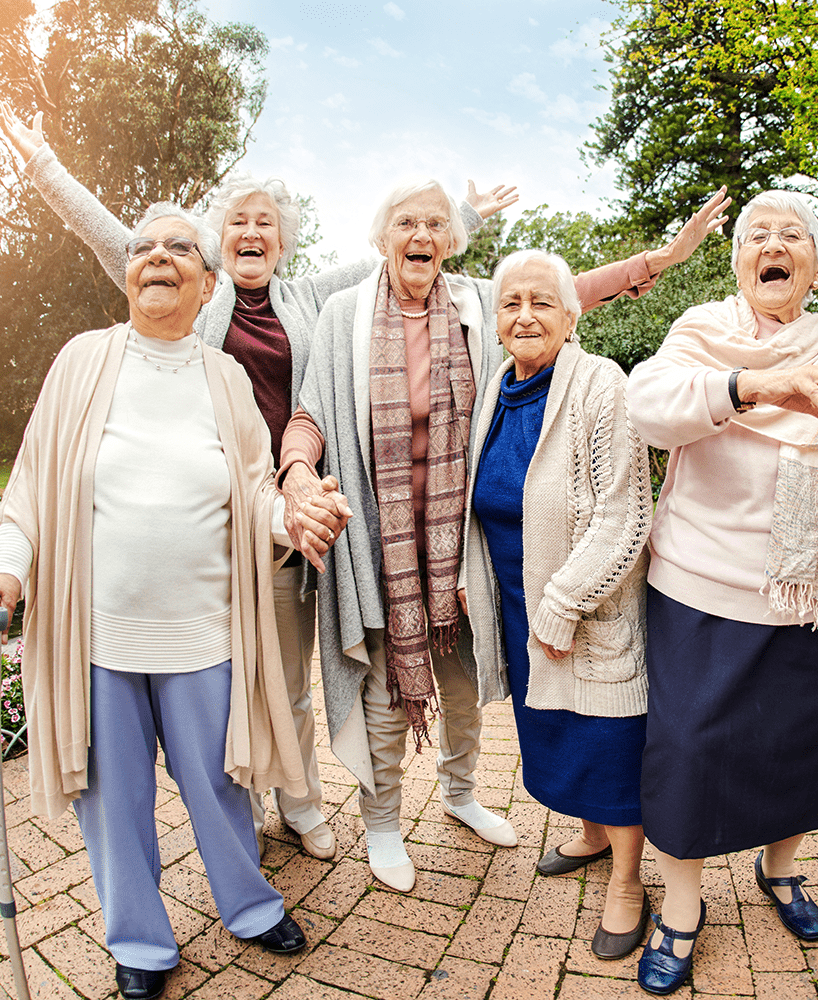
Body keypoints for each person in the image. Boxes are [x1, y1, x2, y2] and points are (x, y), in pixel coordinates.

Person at [0, 102, 515, 861]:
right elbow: (112, 235)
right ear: (214, 245)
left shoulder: (310, 300)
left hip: (294, 523)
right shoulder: (188, 290)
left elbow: (399, 250)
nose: (251, 232)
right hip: (208, 525)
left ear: (283, 240)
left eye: (266, 221)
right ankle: (239, 812)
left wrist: (458, 211)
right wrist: (44, 166)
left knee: (289, 679)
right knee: (220, 685)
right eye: (238, 220)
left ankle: (300, 803)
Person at [280, 181, 731, 892]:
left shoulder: (473, 306)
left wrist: (658, 260)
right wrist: (298, 470)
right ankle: (385, 824)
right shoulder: (343, 316)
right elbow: (311, 411)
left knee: (462, 686)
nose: (420, 233)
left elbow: (555, 296)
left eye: (434, 222)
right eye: (406, 222)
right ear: (381, 237)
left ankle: (461, 795)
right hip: (382, 543)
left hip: (463, 547)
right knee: (383, 692)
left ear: (450, 240)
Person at [0, 204, 315, 1000]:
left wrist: (291, 516)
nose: (157, 256)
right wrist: (9, 569)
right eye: (142, 247)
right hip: (97, 636)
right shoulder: (83, 361)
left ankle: (250, 907)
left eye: (178, 248)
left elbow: (255, 493)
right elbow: (31, 485)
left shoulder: (224, 377)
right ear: (128, 272)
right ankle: (140, 942)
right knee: (110, 796)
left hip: (205, 631)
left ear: (208, 281)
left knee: (221, 783)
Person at [625, 190, 818, 996]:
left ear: (814, 268)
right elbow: (649, 409)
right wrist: (755, 386)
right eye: (758, 233)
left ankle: (780, 870)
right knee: (685, 750)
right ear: (738, 261)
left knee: (795, 747)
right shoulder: (702, 336)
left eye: (793, 235)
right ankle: (682, 909)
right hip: (699, 583)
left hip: (807, 599)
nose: (774, 242)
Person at [460, 245, 659, 960]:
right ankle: (593, 836)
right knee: (554, 732)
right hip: (519, 603)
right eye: (511, 302)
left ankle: (629, 879)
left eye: (542, 301)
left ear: (572, 316)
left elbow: (625, 513)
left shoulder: (603, 386)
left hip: (589, 607)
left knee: (608, 741)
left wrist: (565, 601)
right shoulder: (493, 389)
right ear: (495, 320)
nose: (525, 314)